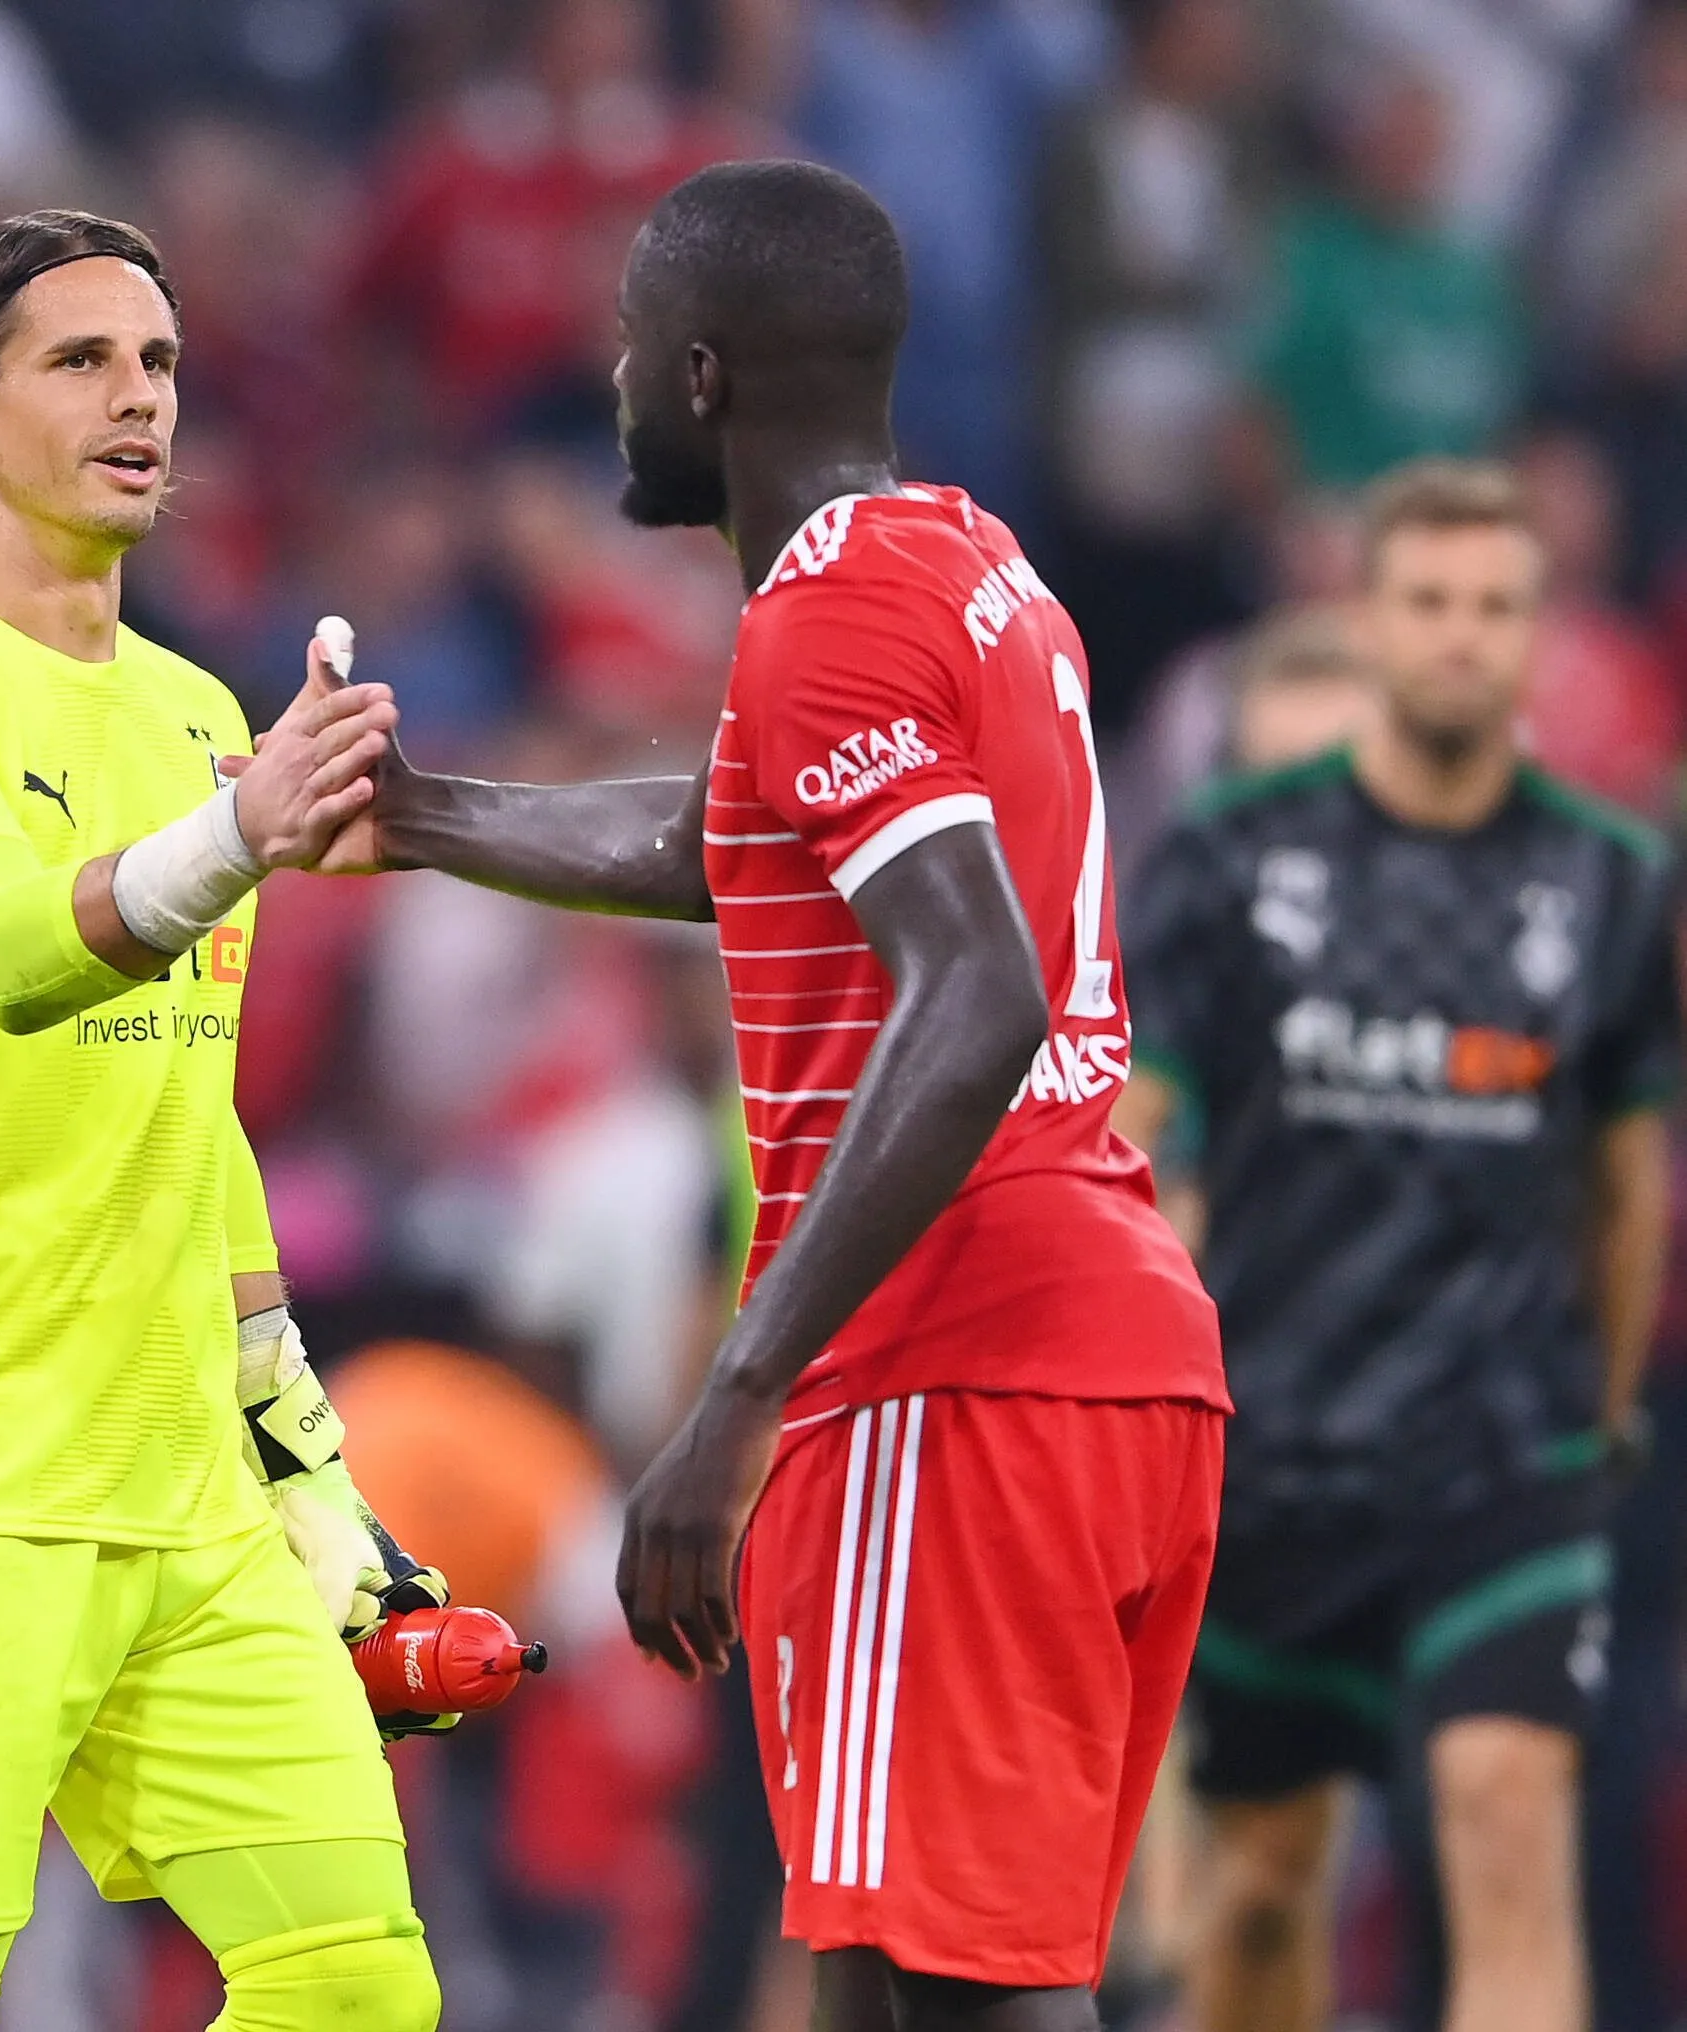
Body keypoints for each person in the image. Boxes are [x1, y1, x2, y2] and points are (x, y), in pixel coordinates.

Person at [324, 159, 1232, 2030]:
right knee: (896, 1972)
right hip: (1114, 1359)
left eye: (634, 346)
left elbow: (972, 991)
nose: (614, 381)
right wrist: (428, 818)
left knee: (966, 1993)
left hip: (955, 1365)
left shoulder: (824, 615)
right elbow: (729, 837)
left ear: (707, 374)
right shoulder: (968, 563)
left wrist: (731, 1404)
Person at [0, 209, 442, 2032]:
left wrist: (297, 1446)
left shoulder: (197, 714)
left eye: (156, 367)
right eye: (80, 363)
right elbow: (2, 951)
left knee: (357, 1988)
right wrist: (235, 835)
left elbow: (185, 1095)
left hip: (180, 1501)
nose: (137, 400)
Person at [1118, 458, 1676, 2032]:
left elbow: (1626, 1184)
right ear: (1363, 622)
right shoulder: (1229, 859)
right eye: (1426, 603)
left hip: (1503, 1453)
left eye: (1494, 607)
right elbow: (1143, 1145)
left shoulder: (1609, 881)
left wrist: (1597, 1413)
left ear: (1534, 633)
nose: (1458, 638)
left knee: (1506, 1815)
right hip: (1277, 1448)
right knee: (1265, 1887)